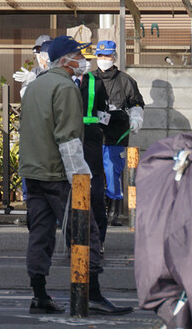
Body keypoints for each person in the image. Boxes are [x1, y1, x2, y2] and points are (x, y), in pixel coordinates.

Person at [18, 35, 132, 316]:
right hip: (59, 175)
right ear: (65, 59)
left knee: (40, 233)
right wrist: (81, 178)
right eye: (78, 55)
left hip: (33, 173)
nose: (83, 60)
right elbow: (68, 138)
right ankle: (90, 293)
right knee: (85, 230)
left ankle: (39, 293)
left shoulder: (35, 85)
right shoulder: (65, 87)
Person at [94, 40, 145, 226]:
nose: (103, 60)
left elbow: (136, 103)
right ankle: (95, 209)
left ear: (114, 57)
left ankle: (113, 213)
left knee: (113, 174)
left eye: (107, 56)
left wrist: (136, 117)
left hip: (116, 137)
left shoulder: (126, 81)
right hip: (93, 138)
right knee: (93, 175)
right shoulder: (89, 79)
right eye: (100, 56)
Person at [78, 49, 111, 250]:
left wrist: (98, 129)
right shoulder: (58, 82)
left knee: (95, 190)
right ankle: (75, 237)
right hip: (66, 139)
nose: (82, 62)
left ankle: (98, 238)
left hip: (90, 140)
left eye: (84, 59)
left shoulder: (95, 83)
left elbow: (103, 113)